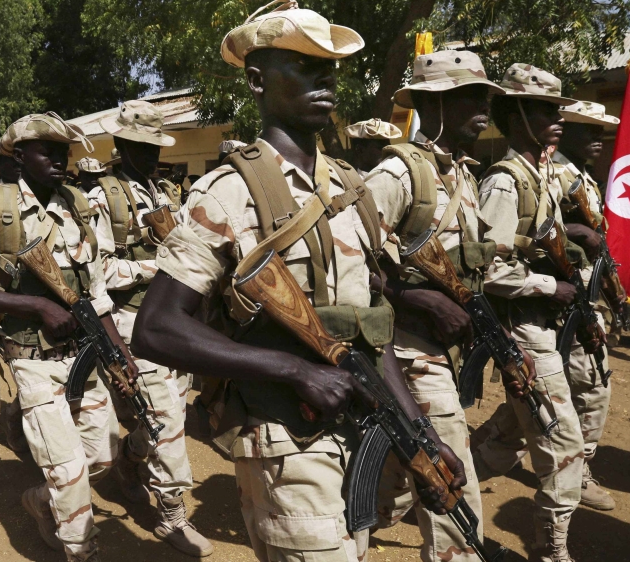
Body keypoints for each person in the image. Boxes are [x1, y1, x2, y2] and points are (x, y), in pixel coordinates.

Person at [131, 4, 465, 561]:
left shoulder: (353, 192)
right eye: (304, 65)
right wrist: (292, 369)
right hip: (282, 438)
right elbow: (157, 327)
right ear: (258, 80)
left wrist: (422, 439)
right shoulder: (228, 193)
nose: (326, 78)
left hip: (356, 425)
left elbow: (369, 335)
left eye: (330, 67)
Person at [365, 50, 524, 562]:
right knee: (450, 479)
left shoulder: (463, 177)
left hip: (443, 351)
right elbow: (351, 266)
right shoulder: (396, 174)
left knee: (391, 485)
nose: (482, 108)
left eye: (484, 97)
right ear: (433, 102)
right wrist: (417, 299)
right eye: (469, 97)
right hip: (406, 352)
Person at [0, 114, 122, 562]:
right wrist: (37, 306)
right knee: (68, 472)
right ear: (20, 156)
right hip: (32, 359)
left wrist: (122, 356)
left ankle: (41, 501)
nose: (60, 160)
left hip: (83, 354)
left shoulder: (80, 205)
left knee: (103, 456)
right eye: (48, 151)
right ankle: (81, 551)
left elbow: (98, 296)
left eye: (63, 151)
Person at [472, 65, 591, 562]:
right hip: (520, 328)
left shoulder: (536, 174)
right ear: (515, 114)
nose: (556, 118)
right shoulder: (504, 181)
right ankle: (551, 549)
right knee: (564, 446)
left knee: (522, 426)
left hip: (543, 324)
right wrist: (550, 284)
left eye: (557, 109)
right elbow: (486, 268)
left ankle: (442, 479)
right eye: (545, 109)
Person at [90, 99, 212, 557]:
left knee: (164, 415)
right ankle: (171, 515)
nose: (148, 155)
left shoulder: (166, 193)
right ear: (121, 144)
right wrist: (155, 265)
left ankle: (128, 462)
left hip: (174, 322)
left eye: (152, 147)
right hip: (131, 320)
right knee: (164, 418)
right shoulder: (102, 198)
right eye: (138, 146)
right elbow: (97, 272)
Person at [550, 101, 620, 510]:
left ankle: (574, 466)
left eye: (602, 132)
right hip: (564, 297)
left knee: (573, 390)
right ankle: (579, 472)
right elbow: (538, 224)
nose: (598, 139)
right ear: (566, 129)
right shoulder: (554, 173)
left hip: (583, 295)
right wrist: (577, 230)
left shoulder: (580, 176)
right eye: (588, 130)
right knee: (590, 388)